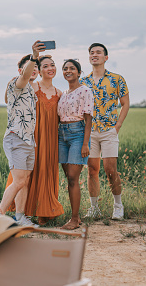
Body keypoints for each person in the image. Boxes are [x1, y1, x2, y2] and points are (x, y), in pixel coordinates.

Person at [4, 54, 64, 226]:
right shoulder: (30, 86)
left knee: (43, 171)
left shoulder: (59, 93)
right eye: (44, 66)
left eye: (51, 65)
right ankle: (17, 214)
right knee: (24, 177)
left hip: (50, 138)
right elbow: (12, 94)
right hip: (31, 136)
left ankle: (43, 211)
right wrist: (34, 56)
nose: (48, 68)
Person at [0, 41, 45, 226]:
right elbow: (26, 75)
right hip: (15, 138)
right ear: (20, 70)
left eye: (36, 68)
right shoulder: (17, 84)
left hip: (28, 141)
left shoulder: (31, 91)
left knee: (24, 181)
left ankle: (20, 217)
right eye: (29, 67)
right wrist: (34, 56)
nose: (33, 70)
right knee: (18, 181)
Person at [79, 43, 130, 220]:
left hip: (109, 131)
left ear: (105, 57)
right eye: (92, 53)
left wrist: (118, 126)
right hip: (90, 132)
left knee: (110, 169)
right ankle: (94, 208)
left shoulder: (117, 79)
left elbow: (125, 103)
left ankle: (118, 205)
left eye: (98, 52)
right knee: (92, 170)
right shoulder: (83, 82)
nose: (95, 55)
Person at [57, 59, 93, 230]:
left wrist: (85, 143)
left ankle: (74, 218)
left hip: (77, 134)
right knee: (69, 178)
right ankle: (75, 217)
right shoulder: (63, 93)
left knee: (73, 177)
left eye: (72, 68)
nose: (68, 71)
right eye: (65, 69)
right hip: (61, 135)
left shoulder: (85, 90)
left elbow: (88, 119)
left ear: (79, 73)